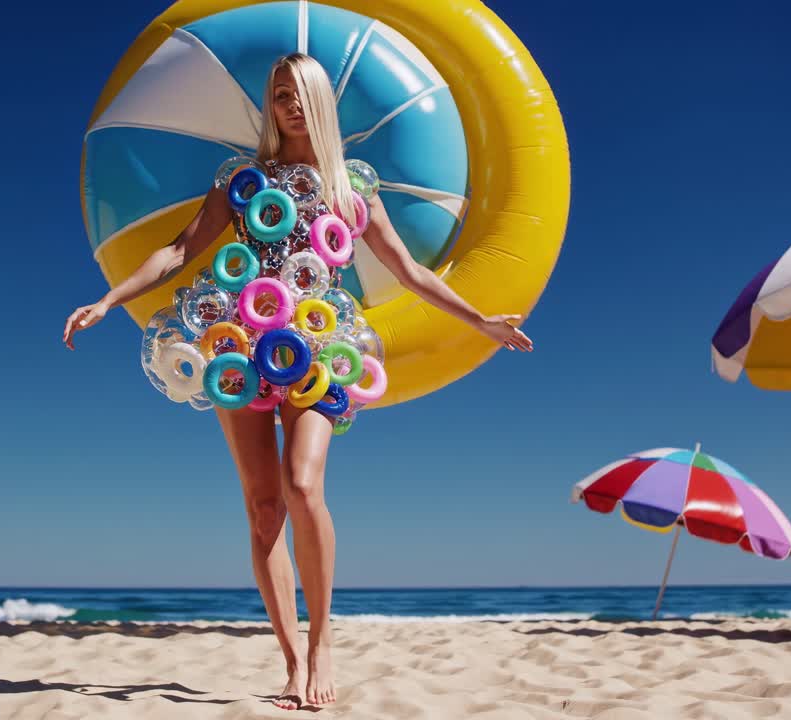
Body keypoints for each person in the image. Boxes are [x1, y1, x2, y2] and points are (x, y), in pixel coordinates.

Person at [63, 53, 533, 710]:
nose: (287, 105)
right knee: (263, 512)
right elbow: (179, 249)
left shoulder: (352, 187)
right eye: (278, 94)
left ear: (319, 103)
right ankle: (290, 663)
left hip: (316, 345)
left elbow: (407, 272)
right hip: (238, 345)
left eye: (298, 94)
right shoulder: (242, 178)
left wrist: (481, 320)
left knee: (303, 484)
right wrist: (109, 300)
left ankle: (321, 645)